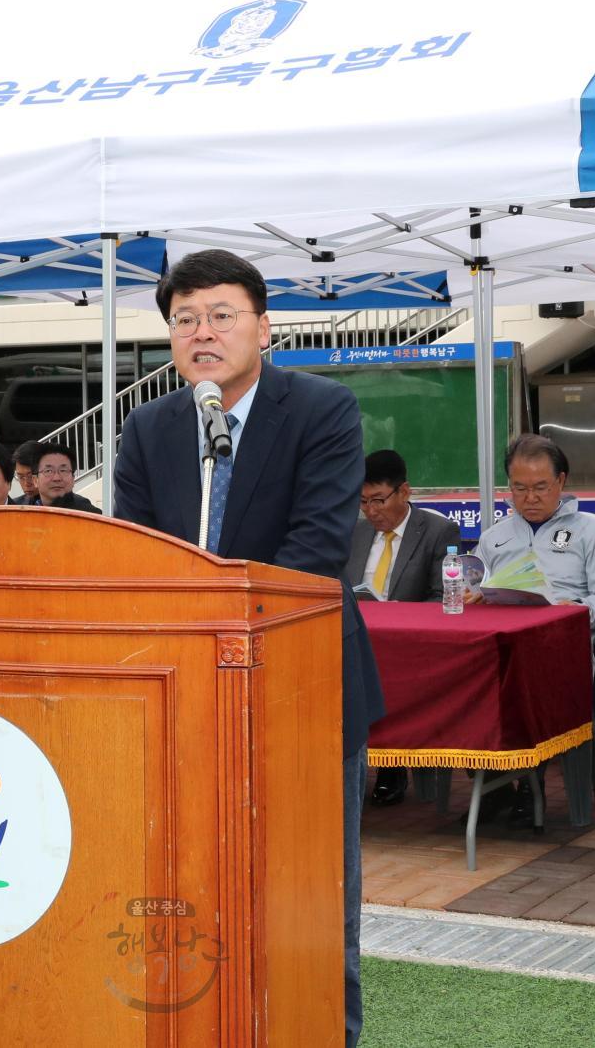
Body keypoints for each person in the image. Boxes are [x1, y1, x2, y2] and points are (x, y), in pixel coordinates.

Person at [113, 249, 382, 1047]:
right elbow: (131, 555)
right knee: (185, 890)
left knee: (313, 898)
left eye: (222, 315)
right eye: (185, 319)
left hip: (303, 690)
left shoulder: (322, 410)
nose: (203, 332)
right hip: (179, 697)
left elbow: (317, 545)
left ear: (263, 326)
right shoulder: (149, 426)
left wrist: (217, 626)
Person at [469, 433, 595, 825]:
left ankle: (530, 784)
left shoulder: (590, 530)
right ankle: (492, 784)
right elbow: (473, 590)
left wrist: (574, 610)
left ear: (561, 481)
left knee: (527, 681)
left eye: (541, 487)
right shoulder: (494, 537)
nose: (530, 497)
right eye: (520, 488)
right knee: (464, 683)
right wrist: (474, 597)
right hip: (502, 649)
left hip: (562, 651)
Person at [347, 449, 461, 808]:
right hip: (357, 636)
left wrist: (398, 614)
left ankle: (392, 765)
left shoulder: (438, 531)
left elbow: (441, 597)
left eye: (379, 500)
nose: (371, 510)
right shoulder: (353, 534)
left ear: (405, 492)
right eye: (363, 501)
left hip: (408, 646)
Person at [26, 442, 100, 512]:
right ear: (35, 480)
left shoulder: (90, 516)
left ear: (73, 478)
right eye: (48, 471)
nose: (57, 478)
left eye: (63, 470)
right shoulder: (24, 513)